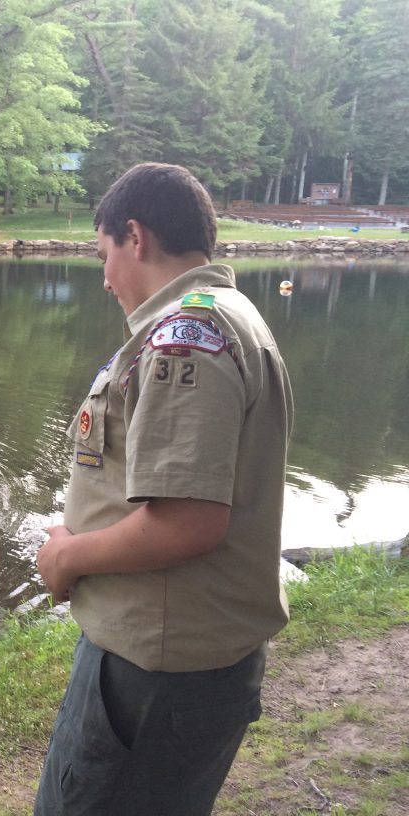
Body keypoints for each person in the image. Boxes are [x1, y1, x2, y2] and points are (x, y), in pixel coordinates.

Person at [34, 163, 294, 816]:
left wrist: (67, 557)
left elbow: (188, 522)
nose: (105, 277)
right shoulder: (228, 317)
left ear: (135, 236)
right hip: (175, 660)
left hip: (154, 672)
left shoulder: (185, 338)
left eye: (104, 255)